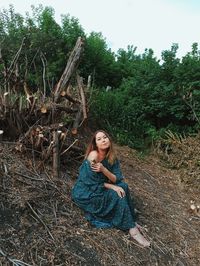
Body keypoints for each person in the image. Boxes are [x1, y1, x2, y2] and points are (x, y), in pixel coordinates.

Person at [71, 130, 150, 247]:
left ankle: (130, 217)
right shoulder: (93, 156)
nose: (103, 140)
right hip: (86, 192)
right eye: (99, 139)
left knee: (123, 186)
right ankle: (132, 229)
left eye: (105, 137)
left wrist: (104, 170)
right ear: (95, 144)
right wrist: (113, 187)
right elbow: (91, 183)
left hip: (99, 186)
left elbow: (117, 178)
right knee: (116, 194)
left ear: (109, 139)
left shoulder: (112, 157)